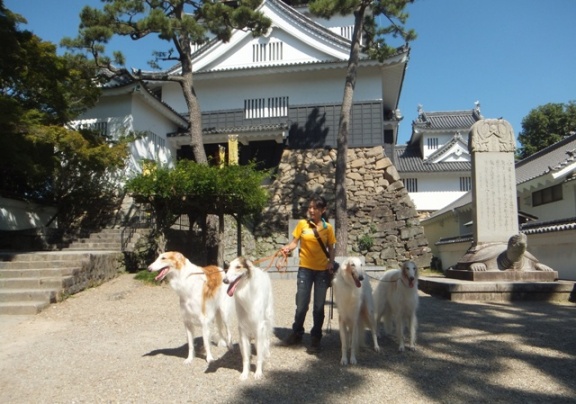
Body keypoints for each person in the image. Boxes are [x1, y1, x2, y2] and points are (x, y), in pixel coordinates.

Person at [281, 196, 336, 352]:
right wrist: (287, 248)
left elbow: (331, 248)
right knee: (301, 304)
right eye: (310, 207)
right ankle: (297, 333)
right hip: (304, 269)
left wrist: (331, 262)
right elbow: (294, 242)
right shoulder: (302, 224)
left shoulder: (328, 228)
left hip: (322, 271)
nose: (311, 210)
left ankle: (315, 338)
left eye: (315, 208)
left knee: (318, 307)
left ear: (322, 210)